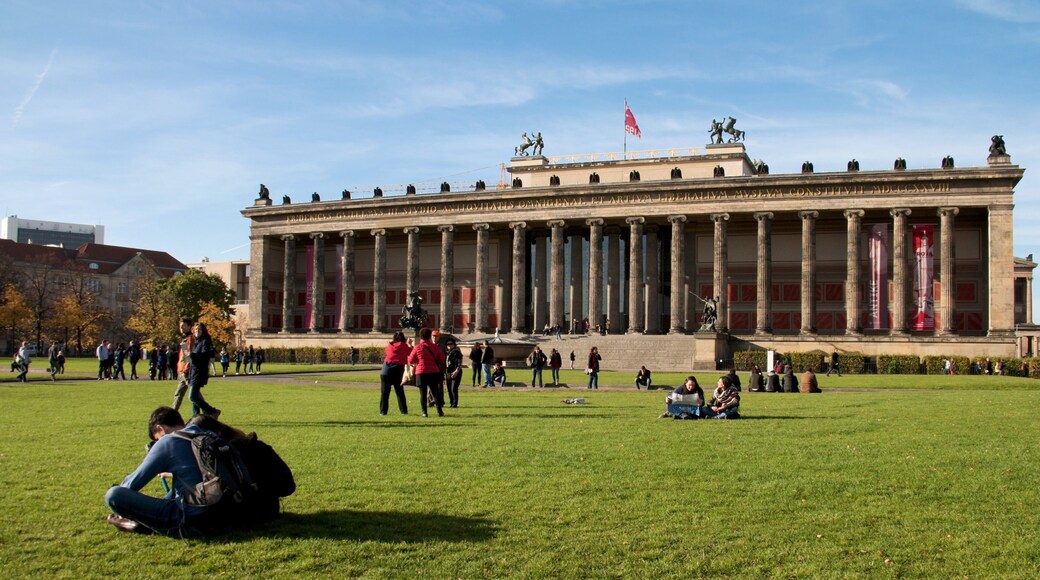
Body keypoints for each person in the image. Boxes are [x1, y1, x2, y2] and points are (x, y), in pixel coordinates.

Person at [104, 407, 219, 538]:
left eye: (157, 439)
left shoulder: (168, 441)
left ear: (160, 429)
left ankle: (141, 525)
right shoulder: (205, 435)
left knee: (114, 494)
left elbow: (130, 485)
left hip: (191, 520)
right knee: (179, 487)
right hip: (220, 512)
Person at [408, 328, 447, 417]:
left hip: (421, 372)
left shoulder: (417, 347)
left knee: (423, 394)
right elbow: (442, 358)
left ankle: (424, 412)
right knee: (435, 393)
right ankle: (439, 411)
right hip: (433, 372)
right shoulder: (434, 347)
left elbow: (411, 360)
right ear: (430, 336)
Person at [187, 323, 220, 418]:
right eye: (196, 329)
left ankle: (212, 411)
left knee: (192, 397)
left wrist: (191, 355)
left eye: (199, 329)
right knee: (195, 397)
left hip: (199, 372)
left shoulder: (205, 341)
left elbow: (204, 356)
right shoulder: (196, 342)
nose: (197, 331)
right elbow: (192, 360)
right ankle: (196, 417)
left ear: (203, 331)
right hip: (193, 372)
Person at [379, 331, 411, 416]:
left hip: (385, 371)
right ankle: (403, 411)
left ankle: (383, 411)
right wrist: (409, 344)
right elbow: (411, 352)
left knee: (384, 393)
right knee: (400, 392)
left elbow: (386, 352)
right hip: (397, 370)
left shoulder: (389, 346)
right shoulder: (404, 346)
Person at [444, 338, 463, 408]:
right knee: (449, 389)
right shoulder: (447, 353)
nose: (449, 345)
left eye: (451, 344)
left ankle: (455, 404)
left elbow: (459, 363)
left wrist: (456, 371)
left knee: (453, 388)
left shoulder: (456, 352)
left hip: (456, 372)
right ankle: (451, 403)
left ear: (454, 344)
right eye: (448, 344)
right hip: (448, 372)